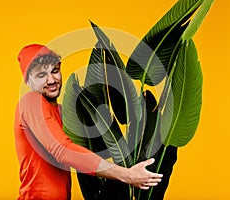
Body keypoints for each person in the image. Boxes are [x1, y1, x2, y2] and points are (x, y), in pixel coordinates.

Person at [14, 44, 163, 200]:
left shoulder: (61, 111)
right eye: (41, 75)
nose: (51, 80)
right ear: (28, 82)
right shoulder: (31, 102)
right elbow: (63, 150)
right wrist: (126, 175)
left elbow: (86, 147)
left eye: (54, 71)